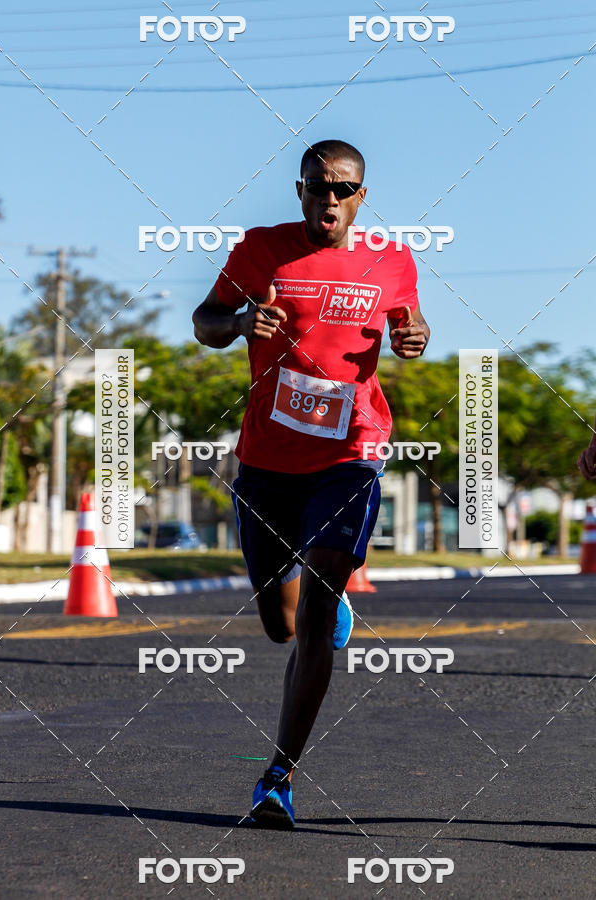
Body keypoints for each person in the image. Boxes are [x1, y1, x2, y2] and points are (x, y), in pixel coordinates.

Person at [192, 139, 429, 829]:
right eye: (318, 186)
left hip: (350, 453)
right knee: (280, 625)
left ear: (361, 196)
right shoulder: (260, 250)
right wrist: (240, 322)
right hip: (267, 461)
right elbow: (205, 322)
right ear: (300, 190)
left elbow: (410, 322)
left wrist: (413, 336)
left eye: (343, 189)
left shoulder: (391, 259)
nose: (330, 198)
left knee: (318, 610)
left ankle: (279, 776)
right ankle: (312, 606)